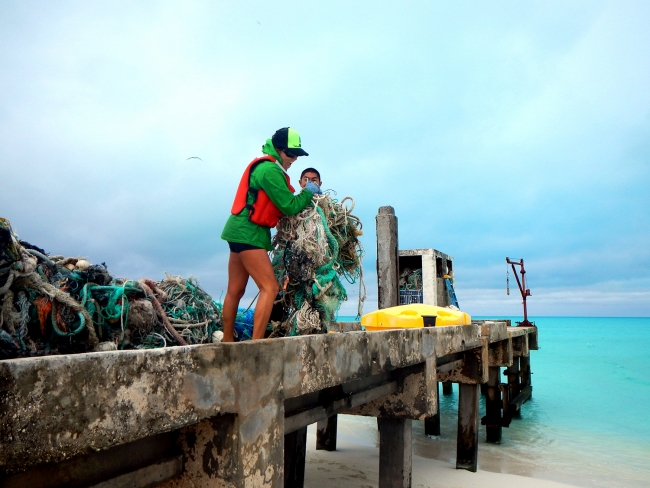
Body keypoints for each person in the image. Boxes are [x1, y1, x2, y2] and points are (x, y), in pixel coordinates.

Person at [220, 127, 321, 342]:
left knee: (235, 290)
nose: (294, 159)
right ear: (278, 149)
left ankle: (227, 341)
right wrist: (308, 192)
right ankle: (257, 344)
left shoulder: (268, 167)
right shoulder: (270, 170)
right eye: (291, 154)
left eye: (297, 155)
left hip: (238, 230)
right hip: (249, 233)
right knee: (270, 287)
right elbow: (289, 206)